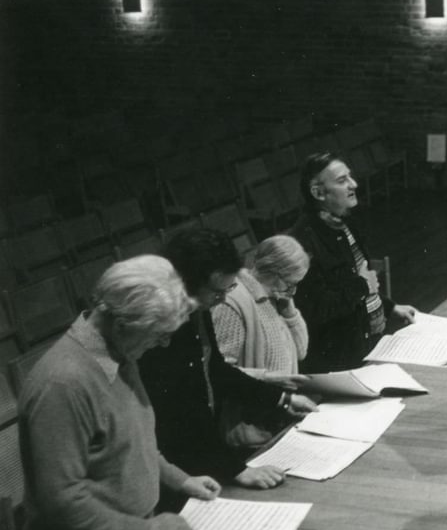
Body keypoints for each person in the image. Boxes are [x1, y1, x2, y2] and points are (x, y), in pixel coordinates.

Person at [18, 255, 221, 530]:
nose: (162, 345)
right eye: (159, 335)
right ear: (123, 322)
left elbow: (131, 441)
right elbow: (62, 500)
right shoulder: (63, 383)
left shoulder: (119, 353)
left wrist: (181, 479)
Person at [140, 227, 317, 496]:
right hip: (176, 463)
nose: (222, 299)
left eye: (229, 289)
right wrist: (234, 469)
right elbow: (180, 410)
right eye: (217, 292)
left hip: (196, 457)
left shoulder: (198, 308)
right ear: (186, 282)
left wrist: (282, 398)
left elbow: (217, 371)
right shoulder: (161, 329)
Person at [288, 152, 417, 373]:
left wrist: (388, 306)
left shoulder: (343, 222)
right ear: (318, 192)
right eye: (342, 181)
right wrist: (363, 286)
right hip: (340, 360)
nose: (353, 184)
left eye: (350, 177)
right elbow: (319, 309)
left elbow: (357, 276)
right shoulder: (303, 243)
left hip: (369, 344)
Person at [213, 234, 310, 374]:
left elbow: (301, 353)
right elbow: (225, 370)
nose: (292, 291)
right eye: (290, 283)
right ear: (272, 272)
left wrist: (290, 314)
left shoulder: (276, 299)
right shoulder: (232, 303)